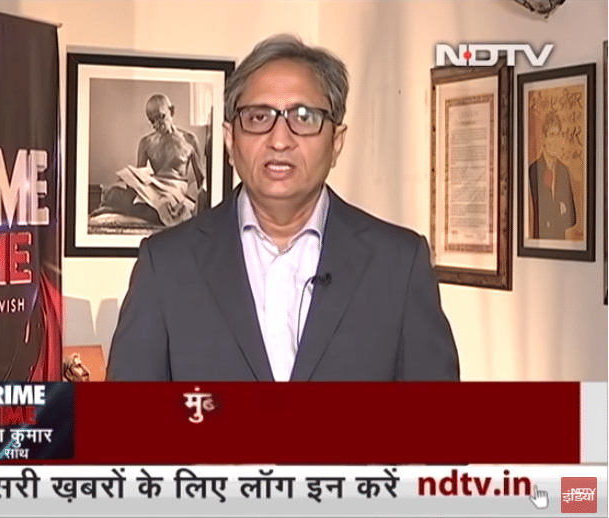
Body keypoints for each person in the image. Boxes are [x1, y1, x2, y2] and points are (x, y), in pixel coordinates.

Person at [107, 34, 459, 381]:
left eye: (304, 117)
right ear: (230, 139)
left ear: (336, 142)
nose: (279, 140)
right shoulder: (167, 264)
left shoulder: (398, 264)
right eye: (259, 117)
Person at [91, 94, 206, 227]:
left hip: (174, 191)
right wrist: (132, 181)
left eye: (161, 117)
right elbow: (139, 180)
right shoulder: (146, 142)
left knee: (165, 206)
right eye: (152, 121)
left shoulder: (189, 140)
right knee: (112, 192)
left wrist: (196, 202)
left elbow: (201, 180)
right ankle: (135, 209)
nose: (157, 124)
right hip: (153, 188)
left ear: (172, 111)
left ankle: (125, 209)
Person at [528, 111, 576, 239]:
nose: (555, 140)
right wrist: (558, 209)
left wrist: (554, 213)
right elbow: (539, 214)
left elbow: (572, 218)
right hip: (539, 242)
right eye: (551, 135)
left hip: (559, 243)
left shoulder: (564, 171)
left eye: (558, 135)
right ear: (544, 138)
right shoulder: (533, 170)